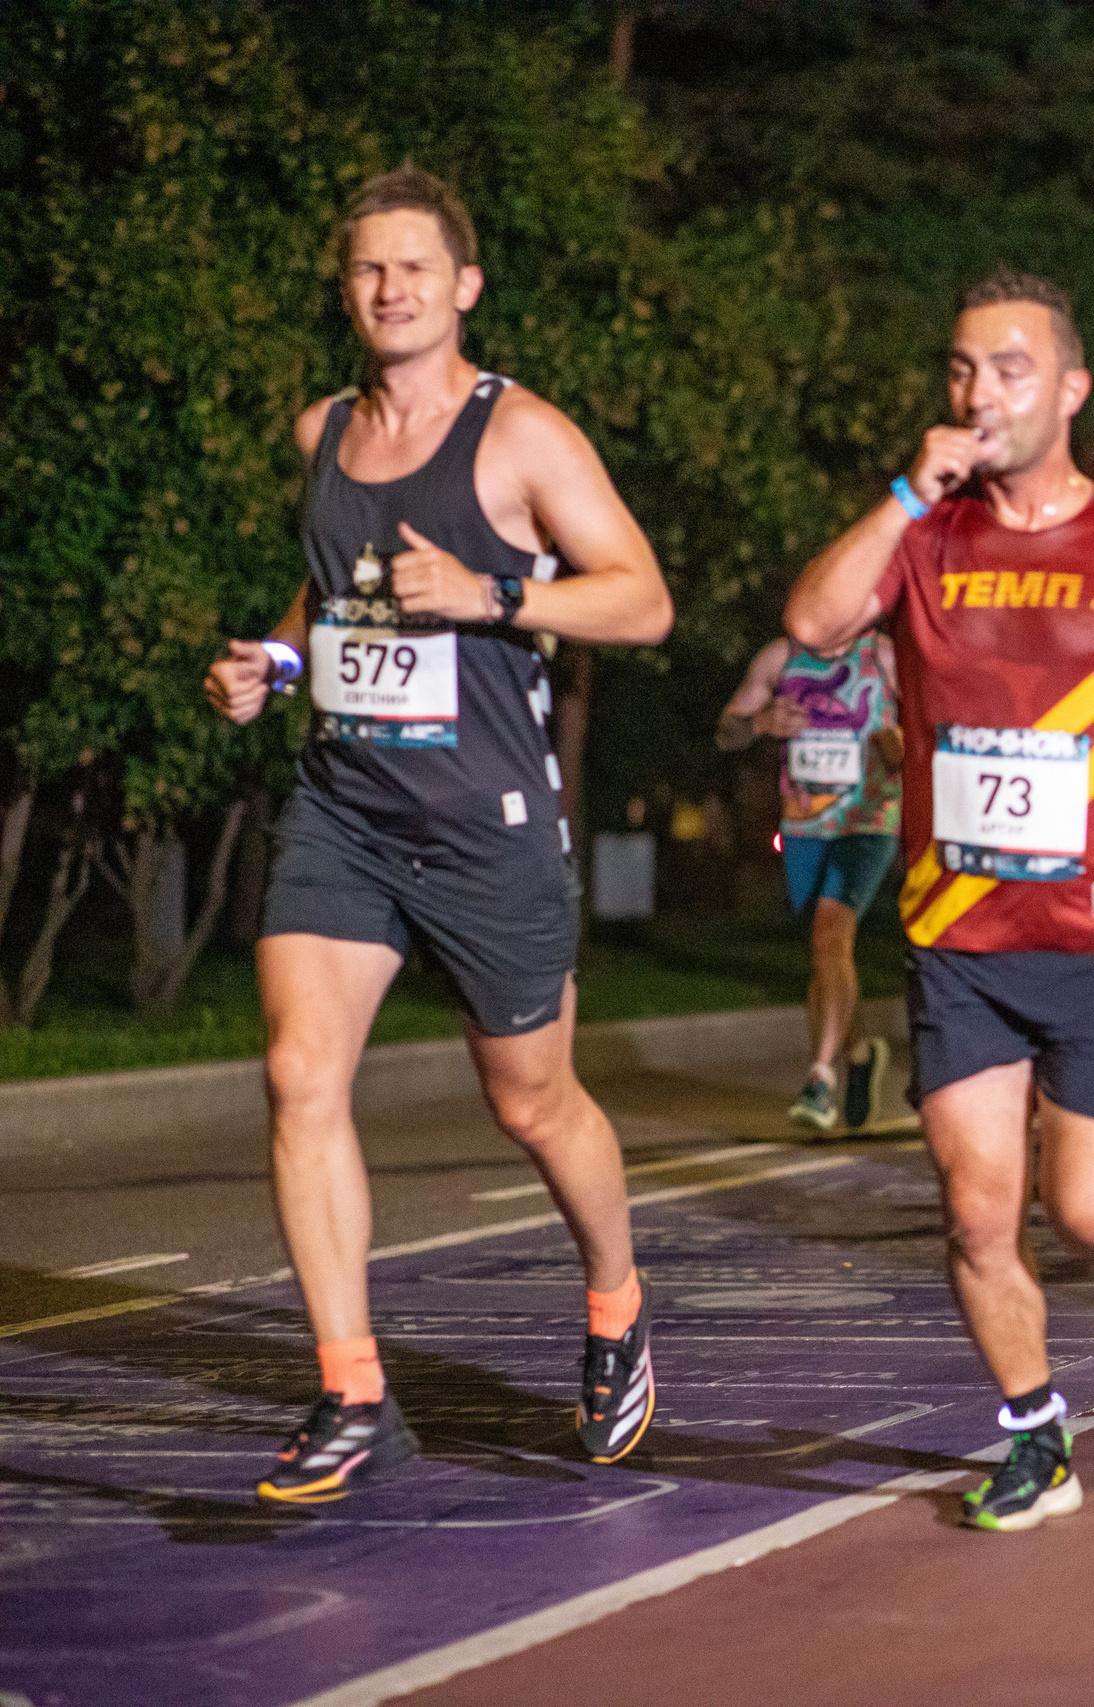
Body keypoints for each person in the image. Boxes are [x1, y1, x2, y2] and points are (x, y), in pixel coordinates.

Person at [203, 168, 675, 1502]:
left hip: (489, 826)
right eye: (366, 269)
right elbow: (330, 594)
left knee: (531, 1100)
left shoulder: (521, 436)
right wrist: (273, 667)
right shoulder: (321, 431)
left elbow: (642, 601)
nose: (389, 287)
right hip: (345, 811)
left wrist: (495, 589)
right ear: (345, 289)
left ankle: (616, 1297)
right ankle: (352, 1386)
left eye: (415, 267)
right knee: (300, 1076)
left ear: (464, 286)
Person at [782, 269, 1094, 1532]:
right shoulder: (924, 538)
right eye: (960, 369)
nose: (978, 390)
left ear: (1069, 388)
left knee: (1089, 1206)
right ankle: (1033, 1434)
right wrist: (904, 492)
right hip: (960, 939)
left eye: (1007, 368)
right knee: (974, 1208)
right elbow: (811, 624)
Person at [717, 633, 902, 1131]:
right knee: (826, 954)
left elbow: (932, 733)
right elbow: (725, 731)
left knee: (830, 936)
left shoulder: (882, 656)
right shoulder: (780, 658)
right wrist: (759, 722)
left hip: (867, 823)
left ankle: (822, 1079)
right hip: (803, 828)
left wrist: (897, 744)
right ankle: (861, 1052)